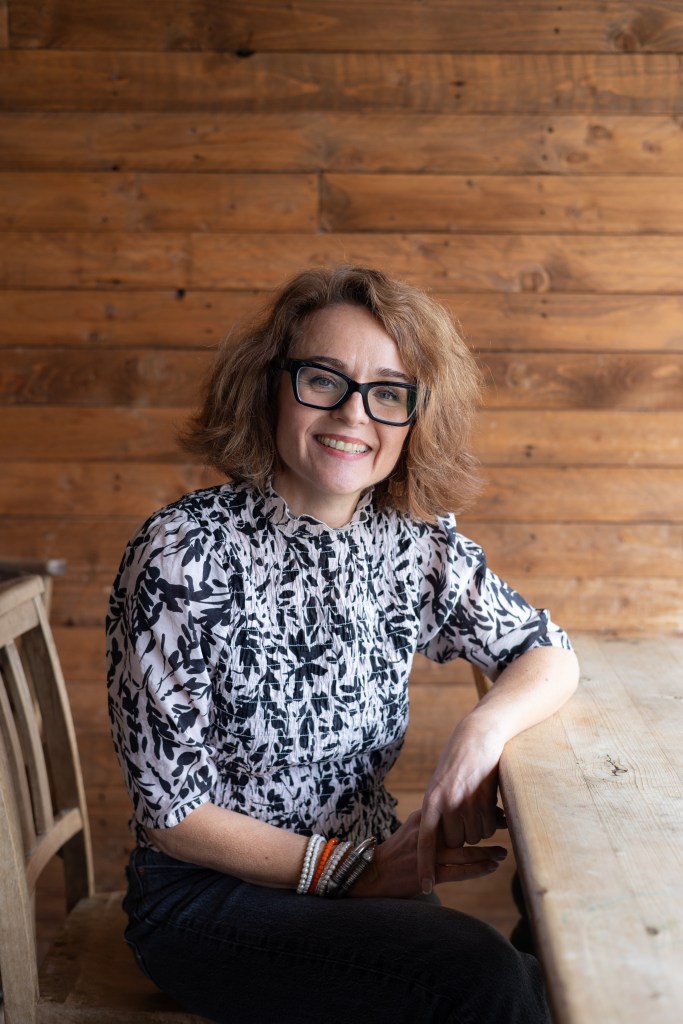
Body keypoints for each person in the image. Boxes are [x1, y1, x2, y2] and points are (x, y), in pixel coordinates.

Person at [106, 265, 579, 1023]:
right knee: (489, 983)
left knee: (539, 968)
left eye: (388, 392)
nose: (352, 414)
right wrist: (347, 869)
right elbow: (173, 812)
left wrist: (481, 729)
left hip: (371, 877)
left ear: (414, 417)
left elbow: (546, 650)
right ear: (270, 385)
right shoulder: (182, 552)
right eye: (323, 379)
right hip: (208, 903)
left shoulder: (410, 543)